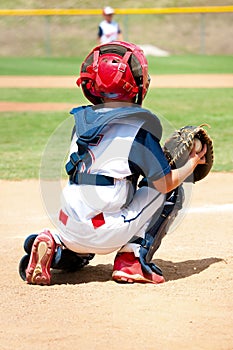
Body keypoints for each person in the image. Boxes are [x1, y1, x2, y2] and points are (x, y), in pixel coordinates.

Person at [19, 41, 207, 286]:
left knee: (82, 245)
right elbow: (164, 182)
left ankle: (56, 247)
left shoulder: (82, 122)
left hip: (67, 220)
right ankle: (132, 260)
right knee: (172, 192)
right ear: (137, 85)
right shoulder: (138, 130)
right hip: (106, 229)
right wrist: (192, 163)